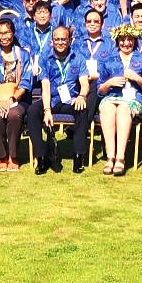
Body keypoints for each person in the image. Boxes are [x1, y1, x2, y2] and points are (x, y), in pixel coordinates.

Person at [29, 25, 94, 174]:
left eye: (63, 39)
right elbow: (45, 86)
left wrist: (81, 96)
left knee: (82, 108)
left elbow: (85, 83)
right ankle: (42, 157)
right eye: (57, 39)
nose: (60, 42)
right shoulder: (45, 58)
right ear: (52, 41)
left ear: (69, 40)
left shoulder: (78, 58)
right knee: (32, 111)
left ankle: (78, 156)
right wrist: (47, 110)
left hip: (70, 100)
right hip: (51, 99)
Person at [95, 24, 142, 175]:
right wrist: (109, 83)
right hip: (112, 98)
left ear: (135, 40)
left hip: (136, 100)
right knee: (107, 108)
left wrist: (138, 79)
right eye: (122, 40)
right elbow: (99, 91)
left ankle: (120, 158)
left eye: (129, 40)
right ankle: (110, 157)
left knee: (123, 109)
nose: (126, 43)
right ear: (117, 41)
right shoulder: (108, 60)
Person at [0, 19, 35, 172]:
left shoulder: (23, 55)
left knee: (13, 115)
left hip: (17, 98)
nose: (3, 36)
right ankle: (2, 156)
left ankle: (13, 156)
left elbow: (25, 83)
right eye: (0, 33)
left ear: (13, 33)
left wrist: (12, 99)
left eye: (7, 32)